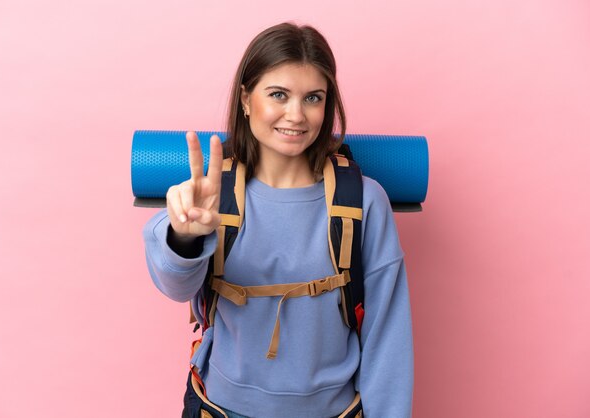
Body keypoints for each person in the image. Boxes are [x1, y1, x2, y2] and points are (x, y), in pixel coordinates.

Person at [143, 22, 413, 418]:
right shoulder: (209, 195)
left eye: (313, 98)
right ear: (247, 100)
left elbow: (389, 337)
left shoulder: (363, 201)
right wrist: (185, 238)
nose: (296, 115)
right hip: (219, 408)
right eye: (278, 95)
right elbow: (175, 286)